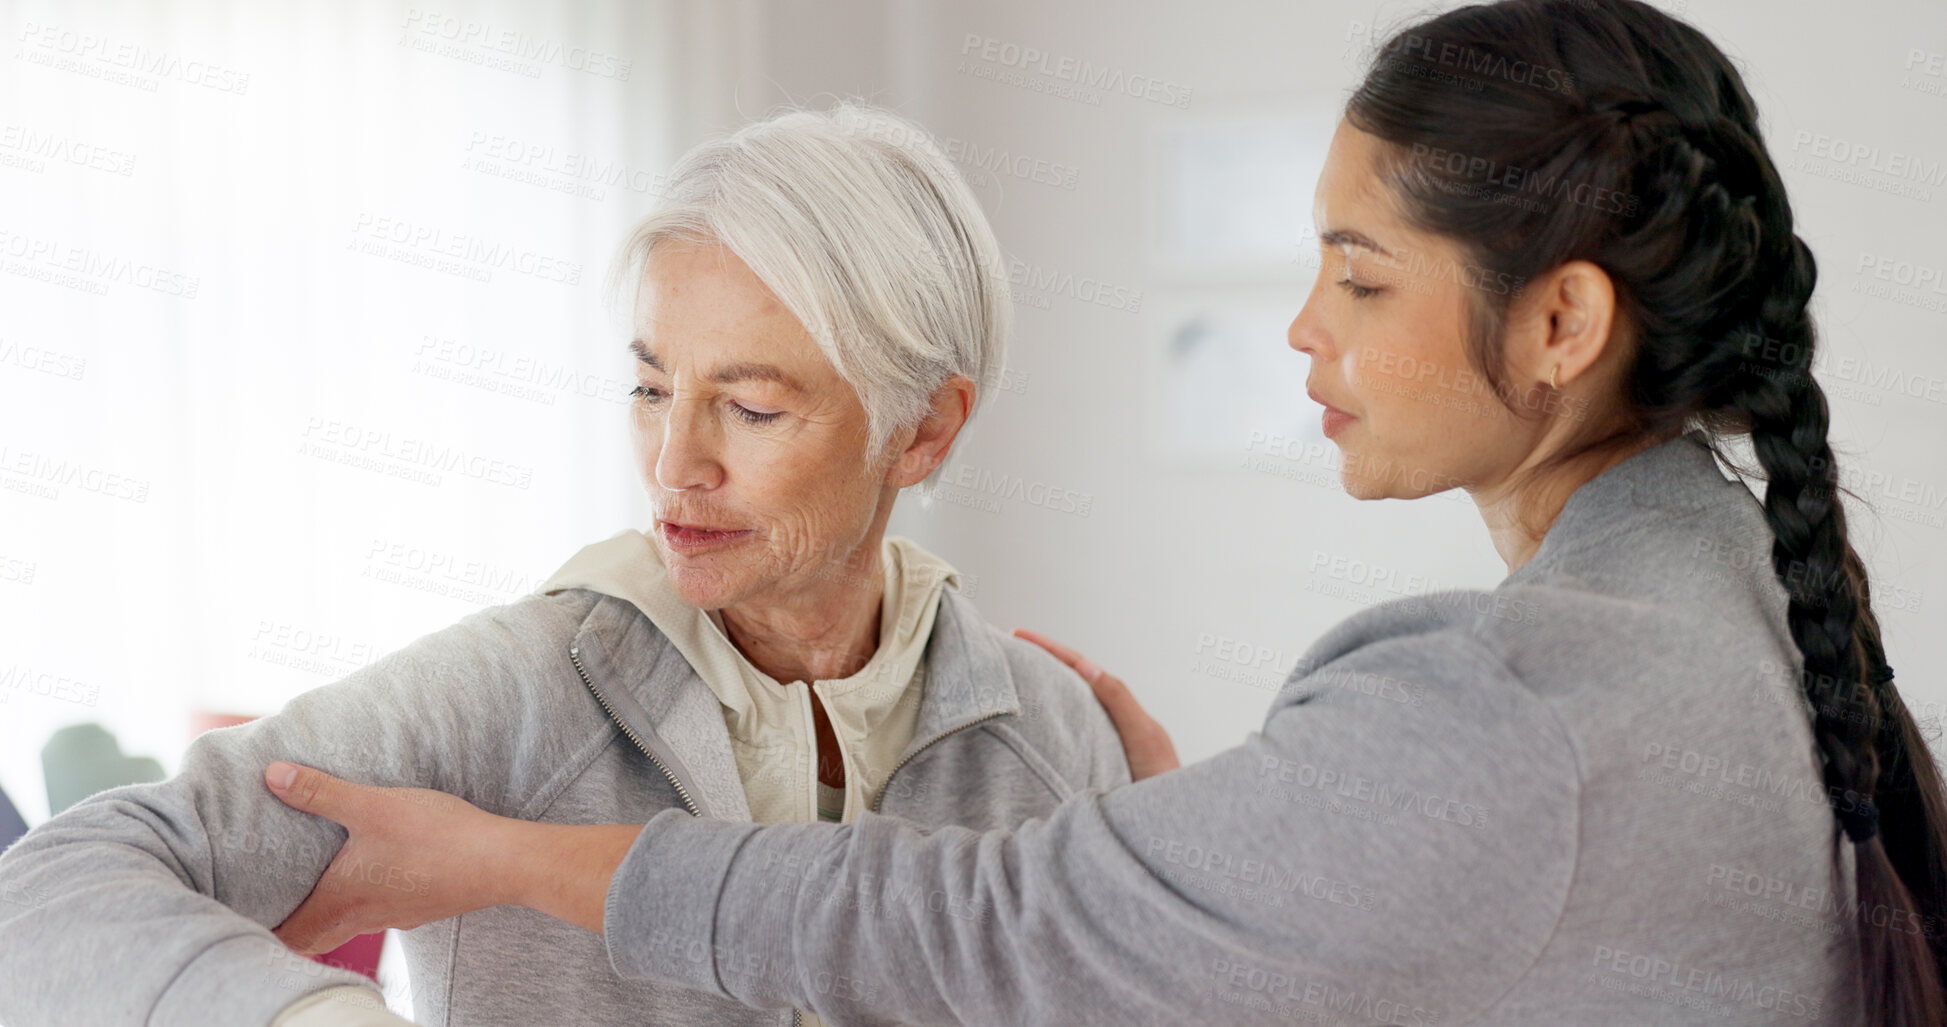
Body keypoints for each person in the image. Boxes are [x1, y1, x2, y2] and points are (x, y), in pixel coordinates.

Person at [252, 1, 1947, 1024]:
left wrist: (498, 865)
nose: (1300, 328)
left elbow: (1001, 925)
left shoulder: (1514, 697)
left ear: (1561, 326)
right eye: (654, 383)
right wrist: (1267, 848)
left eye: (1357, 277)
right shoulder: (1729, 588)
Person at [0, 104, 1129, 1027]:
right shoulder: (518, 693)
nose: (674, 463)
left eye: (749, 405)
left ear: (924, 430)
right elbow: (47, 889)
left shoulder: (1051, 734)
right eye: (651, 389)